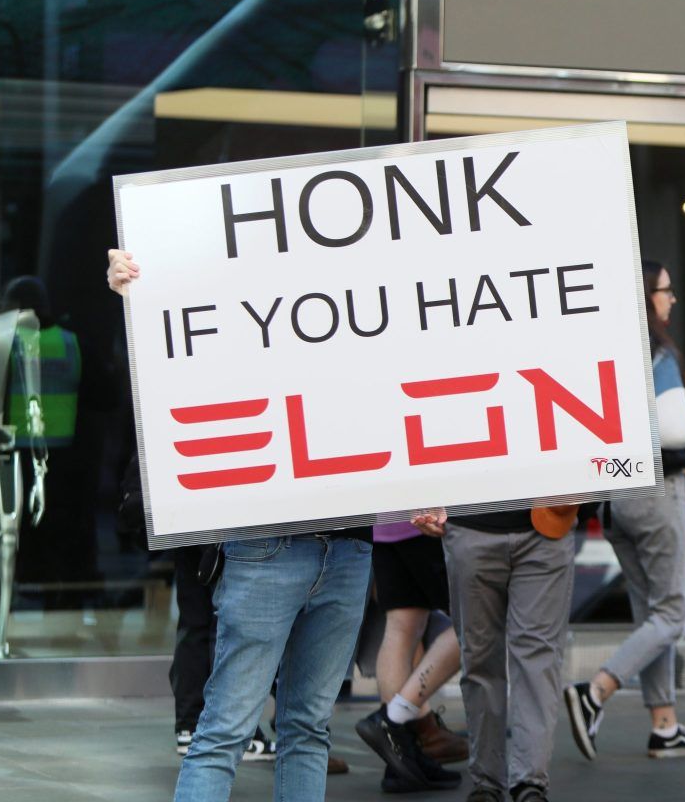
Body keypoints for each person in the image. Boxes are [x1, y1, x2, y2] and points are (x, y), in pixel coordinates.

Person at [108, 248, 375, 802]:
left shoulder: (362, 314)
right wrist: (136, 294)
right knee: (229, 728)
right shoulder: (255, 318)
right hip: (270, 542)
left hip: (345, 544)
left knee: (302, 728)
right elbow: (178, 351)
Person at [563, 260, 685, 761]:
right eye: (665, 291)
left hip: (613, 496)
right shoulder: (655, 351)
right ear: (645, 297)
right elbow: (676, 429)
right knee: (675, 611)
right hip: (655, 493)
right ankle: (594, 693)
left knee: (649, 614)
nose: (672, 299)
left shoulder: (602, 348)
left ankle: (665, 725)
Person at [410, 500, 578, 802]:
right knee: (486, 659)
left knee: (522, 661)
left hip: (542, 523)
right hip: (475, 524)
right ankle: (503, 782)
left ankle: (523, 782)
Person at [354, 519, 465, 792]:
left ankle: (400, 761)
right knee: (479, 623)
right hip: (430, 520)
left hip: (386, 521)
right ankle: (393, 719)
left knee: (402, 626)